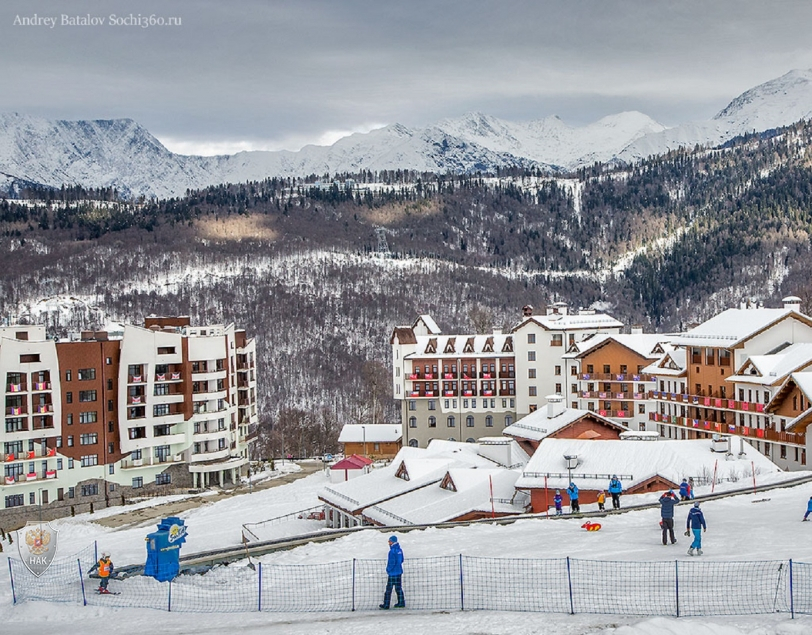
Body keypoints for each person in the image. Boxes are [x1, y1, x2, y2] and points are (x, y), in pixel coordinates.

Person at [380, 536, 405, 609]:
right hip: (399, 571)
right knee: (398, 588)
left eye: (389, 541)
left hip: (393, 573)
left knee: (388, 589)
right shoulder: (399, 550)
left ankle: (386, 604)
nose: (389, 543)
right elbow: (402, 560)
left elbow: (391, 562)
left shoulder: (392, 551)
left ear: (393, 542)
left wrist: (388, 569)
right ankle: (401, 602)